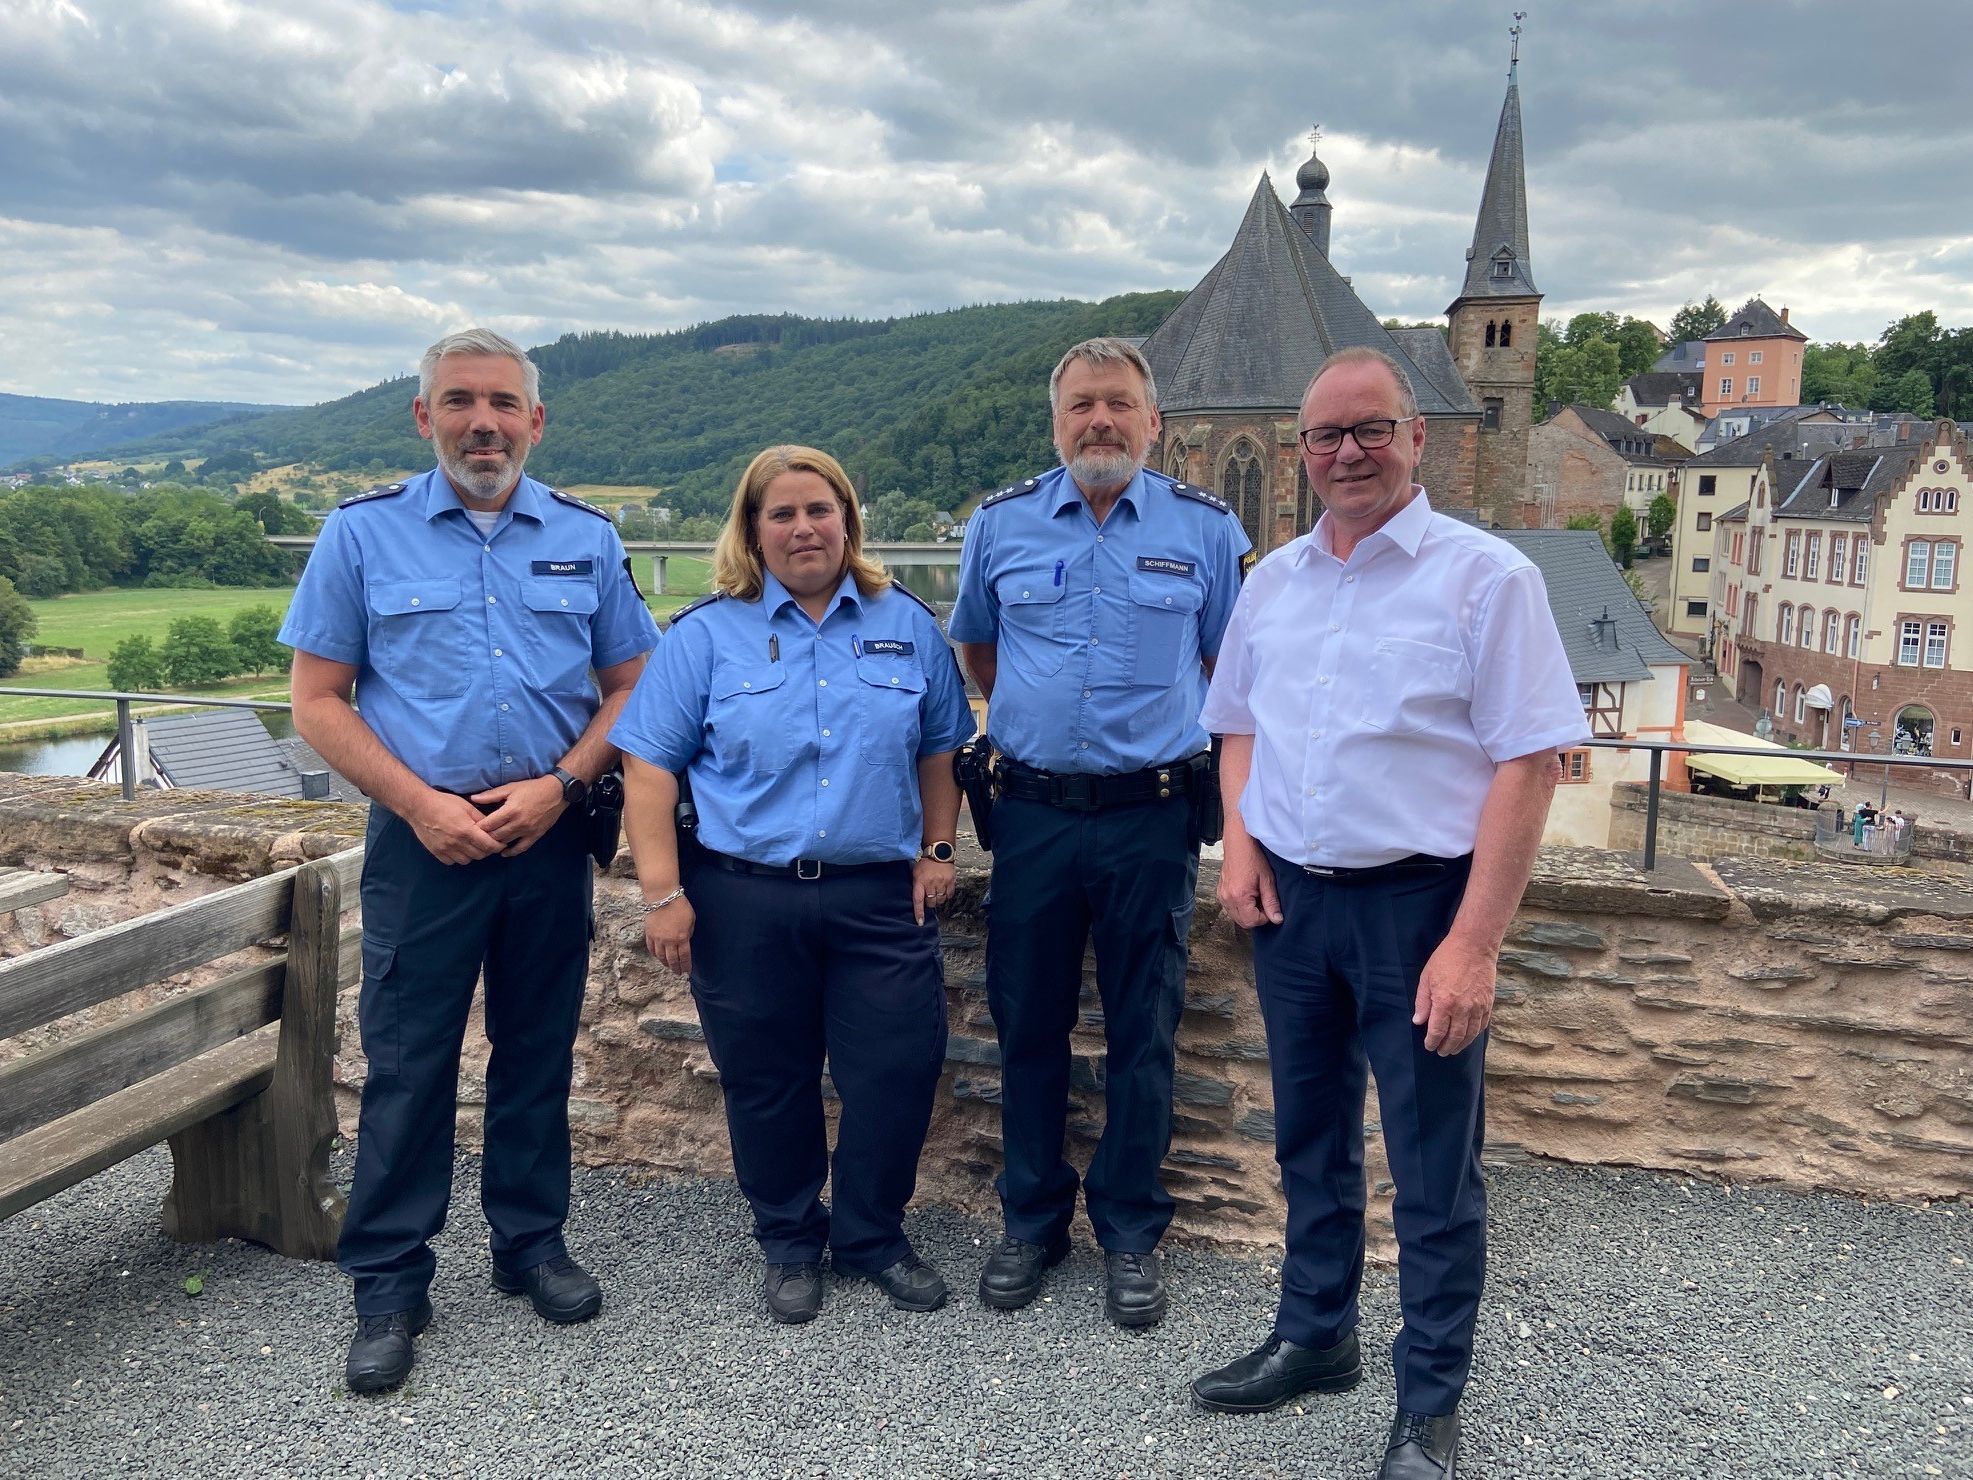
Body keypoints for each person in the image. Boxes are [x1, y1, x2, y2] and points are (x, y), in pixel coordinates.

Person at [1188, 347, 1586, 1480]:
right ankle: (1316, 1338)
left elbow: (1527, 763)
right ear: (1298, 449)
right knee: (1306, 1142)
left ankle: (1428, 1404)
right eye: (1324, 436)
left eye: (1369, 430)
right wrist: (1240, 849)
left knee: (1429, 1170)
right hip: (1291, 908)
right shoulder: (1272, 580)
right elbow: (1239, 729)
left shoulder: (1484, 576)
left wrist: (1472, 943)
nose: (1346, 452)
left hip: (1419, 909)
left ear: (1415, 438)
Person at [281, 329, 660, 1394]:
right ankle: (390, 1282)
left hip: (544, 835)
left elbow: (634, 684)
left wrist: (565, 784)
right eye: (459, 401)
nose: (482, 421)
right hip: (421, 841)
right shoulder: (361, 536)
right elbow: (316, 699)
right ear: (424, 417)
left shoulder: (585, 539)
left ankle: (528, 1244)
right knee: (408, 1062)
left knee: (537, 1050)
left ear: (536, 421)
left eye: (503, 402)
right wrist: (419, 804)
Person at [612, 445, 975, 1325]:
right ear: (752, 530)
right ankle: (786, 1239)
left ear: (848, 520)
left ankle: (871, 1236)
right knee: (765, 1078)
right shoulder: (703, 635)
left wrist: (937, 848)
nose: (804, 527)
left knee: (894, 1069)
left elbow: (939, 746)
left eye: (820, 509)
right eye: (782, 513)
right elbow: (648, 770)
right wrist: (663, 895)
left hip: (878, 895)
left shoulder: (907, 624)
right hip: (743, 897)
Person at [947, 337, 1249, 1327]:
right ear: (1056, 419)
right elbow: (981, 651)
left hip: (1150, 817)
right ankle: (1031, 1221)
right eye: (1080, 404)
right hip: (1029, 814)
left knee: (1141, 1033)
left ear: (1151, 421)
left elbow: (1229, 673)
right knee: (1025, 1024)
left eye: (1118, 403)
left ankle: (1127, 1231)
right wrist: (1037, 729)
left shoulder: (1206, 529)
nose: (1099, 421)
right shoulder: (998, 525)